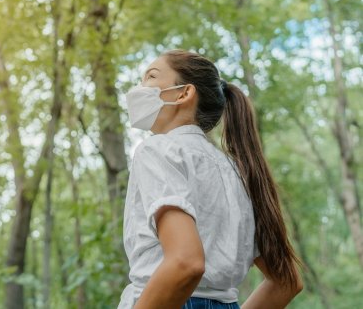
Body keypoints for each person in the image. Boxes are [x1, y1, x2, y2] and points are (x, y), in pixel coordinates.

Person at [118, 49, 303, 309]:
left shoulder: (158, 150)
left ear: (184, 93)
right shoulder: (237, 171)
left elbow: (186, 263)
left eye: (151, 77)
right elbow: (286, 282)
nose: (140, 88)